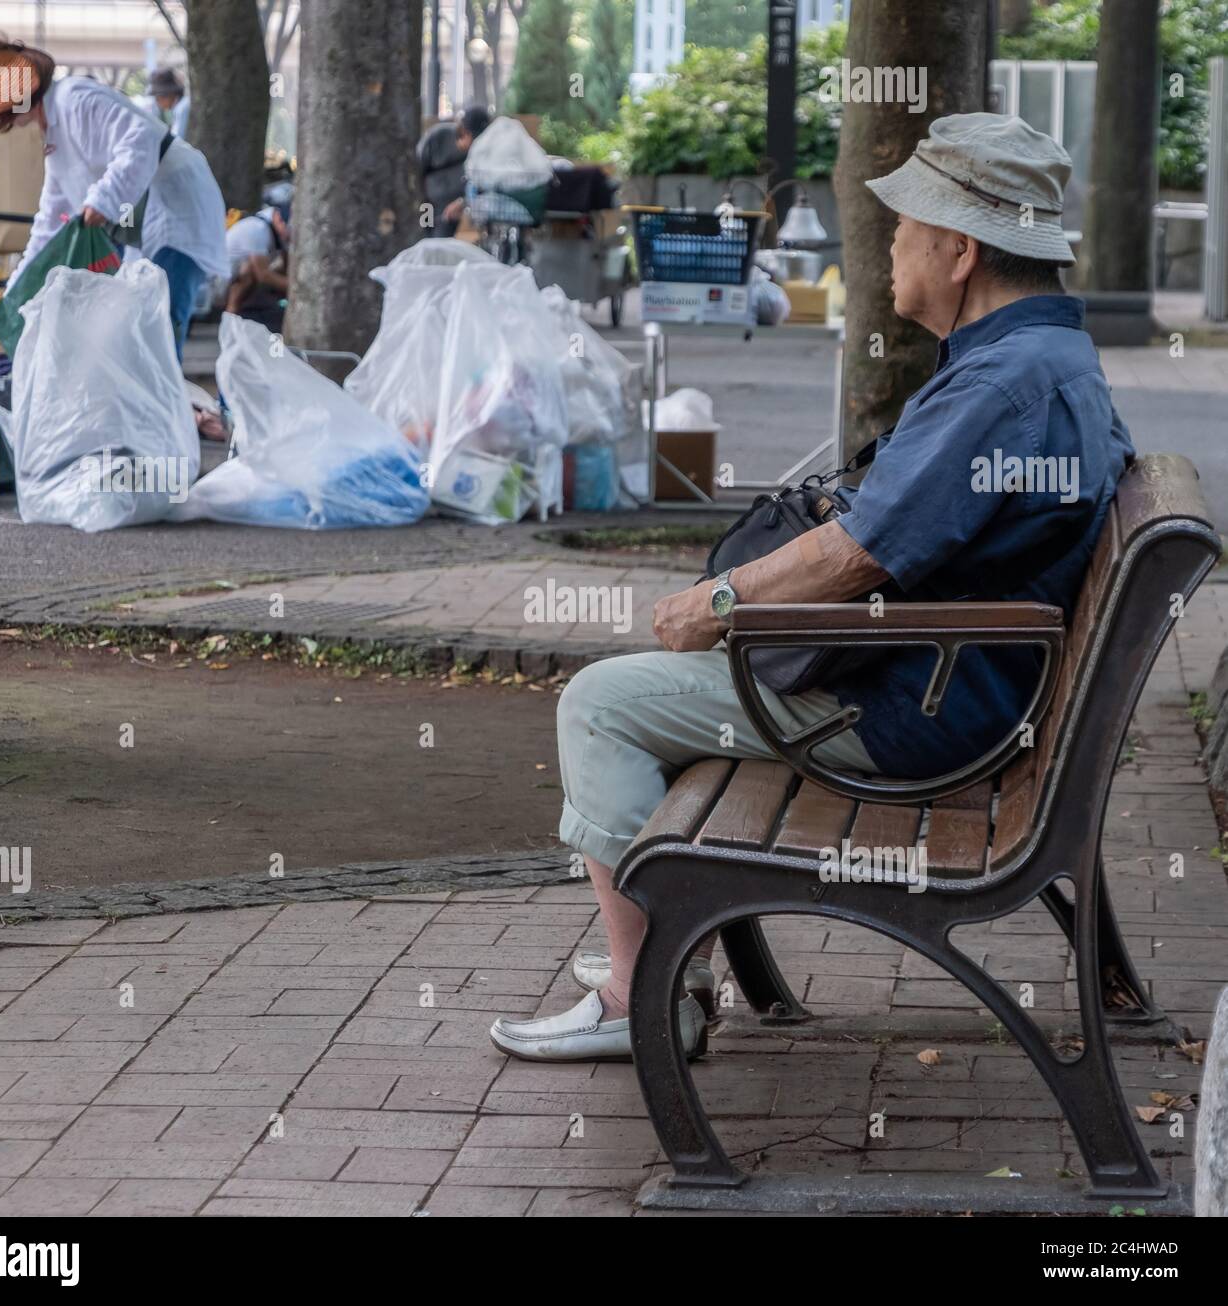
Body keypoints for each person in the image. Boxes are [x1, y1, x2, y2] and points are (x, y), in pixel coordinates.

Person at [489, 113, 1136, 1063]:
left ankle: (647, 994)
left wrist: (717, 604)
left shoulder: (1004, 389)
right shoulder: (1040, 362)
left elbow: (856, 557)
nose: (890, 252)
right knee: (643, 698)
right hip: (968, 688)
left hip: (913, 713)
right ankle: (672, 955)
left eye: (906, 232)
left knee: (602, 705)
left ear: (959, 252)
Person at [0, 33, 226, 362]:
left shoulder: (74, 99)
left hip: (178, 209)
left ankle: (163, 410)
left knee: (158, 327)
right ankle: (151, 408)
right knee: (140, 330)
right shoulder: (55, 141)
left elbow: (138, 140)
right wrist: (14, 296)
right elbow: (48, 225)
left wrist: (102, 200)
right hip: (148, 224)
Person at [420, 106, 491, 237]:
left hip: (450, 209)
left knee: (440, 246)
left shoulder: (482, 153)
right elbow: (418, 167)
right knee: (422, 240)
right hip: (426, 204)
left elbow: (482, 186)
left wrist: (462, 203)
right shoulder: (438, 136)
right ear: (464, 131)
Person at [224, 198, 291, 332]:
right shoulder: (257, 228)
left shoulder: (275, 232)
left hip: (238, 279)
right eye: (287, 226)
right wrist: (295, 289)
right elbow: (263, 275)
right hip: (223, 282)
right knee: (249, 270)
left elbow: (286, 265)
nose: (289, 233)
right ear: (277, 218)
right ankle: (230, 321)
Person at [147, 66, 190, 140]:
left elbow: (177, 139)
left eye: (158, 98)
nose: (158, 102)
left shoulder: (182, 108)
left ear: (169, 94)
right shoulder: (180, 107)